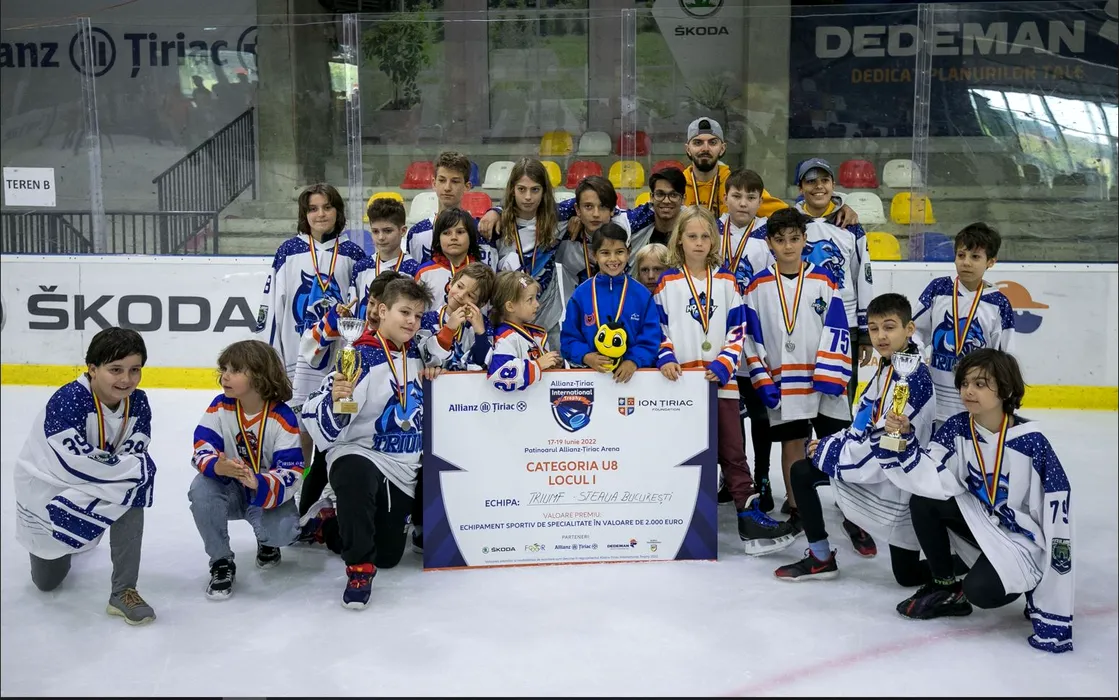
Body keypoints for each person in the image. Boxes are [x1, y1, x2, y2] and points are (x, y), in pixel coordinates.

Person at [870, 350, 1073, 654]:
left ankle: (1026, 580)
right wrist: (906, 439)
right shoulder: (957, 427)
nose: (968, 391)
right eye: (965, 383)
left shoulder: (1033, 442)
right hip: (980, 523)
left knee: (981, 591)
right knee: (924, 501)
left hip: (1020, 539)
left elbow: (1057, 514)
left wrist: (1052, 595)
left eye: (980, 384)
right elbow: (931, 473)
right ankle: (945, 585)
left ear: (1005, 389)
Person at [654, 205, 796, 555]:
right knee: (685, 451)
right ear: (679, 239)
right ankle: (680, 519)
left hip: (721, 382)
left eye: (705, 236)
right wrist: (666, 357)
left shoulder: (728, 281)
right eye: (692, 236)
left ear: (714, 241)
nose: (699, 242)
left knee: (733, 451)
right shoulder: (667, 282)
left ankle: (748, 518)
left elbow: (738, 329)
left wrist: (725, 363)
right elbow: (658, 329)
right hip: (682, 385)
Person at [773, 293, 936, 581]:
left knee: (907, 576)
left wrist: (830, 452)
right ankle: (821, 557)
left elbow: (885, 444)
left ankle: (968, 569)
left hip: (896, 478)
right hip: (877, 468)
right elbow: (862, 422)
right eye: (873, 328)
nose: (880, 336)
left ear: (909, 329)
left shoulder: (913, 377)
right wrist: (831, 444)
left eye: (889, 327)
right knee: (802, 471)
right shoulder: (888, 365)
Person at [301, 278, 434, 610]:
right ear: (383, 311)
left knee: (388, 556)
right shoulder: (360, 353)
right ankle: (359, 570)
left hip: (402, 465)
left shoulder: (419, 352)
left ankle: (328, 524)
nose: (411, 321)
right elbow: (321, 412)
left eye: (417, 316)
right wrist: (336, 400)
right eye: (405, 312)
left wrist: (438, 371)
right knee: (352, 470)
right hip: (360, 452)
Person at [13, 327, 157, 625]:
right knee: (47, 582)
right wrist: (122, 471)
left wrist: (123, 473)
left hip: (100, 482)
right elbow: (70, 464)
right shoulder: (68, 400)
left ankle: (124, 591)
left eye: (134, 370)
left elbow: (135, 454)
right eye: (115, 369)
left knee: (133, 492)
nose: (126, 379)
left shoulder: (138, 402)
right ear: (92, 369)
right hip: (50, 485)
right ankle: (67, 542)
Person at [741, 208, 852, 516]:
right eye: (780, 240)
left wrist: (831, 374)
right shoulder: (757, 287)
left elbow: (838, 328)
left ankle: (852, 511)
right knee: (792, 443)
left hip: (822, 377)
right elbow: (750, 337)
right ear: (769, 244)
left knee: (838, 445)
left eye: (794, 238)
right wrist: (762, 379)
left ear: (805, 239)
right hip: (783, 382)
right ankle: (796, 508)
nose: (788, 246)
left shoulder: (824, 280)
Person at [254, 182, 365, 466]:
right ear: (304, 215)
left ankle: (329, 482)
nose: (320, 214)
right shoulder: (289, 251)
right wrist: (270, 355)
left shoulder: (352, 253)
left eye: (327, 207)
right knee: (300, 427)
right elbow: (273, 306)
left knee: (337, 421)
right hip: (298, 355)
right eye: (313, 209)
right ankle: (301, 482)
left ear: (338, 212)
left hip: (339, 355)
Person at [189, 340, 306, 600]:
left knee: (284, 532)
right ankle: (221, 561)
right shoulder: (220, 406)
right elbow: (202, 447)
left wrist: (258, 482)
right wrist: (218, 465)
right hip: (230, 489)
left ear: (260, 375)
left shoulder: (283, 417)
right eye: (224, 369)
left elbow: (292, 472)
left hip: (263, 493)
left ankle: (267, 540)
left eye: (235, 370)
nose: (225, 376)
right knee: (201, 488)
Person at [296, 270, 406, 529]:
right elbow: (311, 351)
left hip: (379, 425)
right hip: (344, 410)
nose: (372, 311)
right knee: (322, 459)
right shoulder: (352, 329)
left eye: (380, 304)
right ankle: (303, 519)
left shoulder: (405, 339)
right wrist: (331, 320)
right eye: (371, 302)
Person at [911, 222, 1015, 426]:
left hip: (975, 403)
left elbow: (1004, 355)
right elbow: (914, 331)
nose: (966, 262)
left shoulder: (998, 304)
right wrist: (918, 360)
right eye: (961, 255)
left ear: (991, 262)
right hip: (935, 399)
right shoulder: (938, 289)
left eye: (975, 257)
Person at [793, 158, 874, 405]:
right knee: (802, 401)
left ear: (833, 185)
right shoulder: (789, 223)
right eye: (810, 181)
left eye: (824, 180)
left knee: (841, 404)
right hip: (800, 322)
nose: (819, 186)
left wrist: (865, 333)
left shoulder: (851, 227)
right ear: (800, 188)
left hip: (844, 327)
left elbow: (863, 279)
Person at [721, 168, 779, 511]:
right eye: (737, 196)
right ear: (725, 197)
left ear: (760, 201)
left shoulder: (770, 233)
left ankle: (763, 476)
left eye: (751, 197)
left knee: (759, 415)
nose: (743, 203)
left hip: (758, 336)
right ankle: (734, 478)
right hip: (721, 335)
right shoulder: (711, 229)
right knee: (730, 414)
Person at [560, 223, 662, 381]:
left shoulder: (642, 295)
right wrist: (586, 356)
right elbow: (568, 339)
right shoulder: (581, 294)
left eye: (619, 252)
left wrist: (633, 360)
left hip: (633, 378)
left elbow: (651, 337)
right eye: (605, 253)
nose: (613, 259)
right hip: (592, 377)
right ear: (594, 255)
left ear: (628, 253)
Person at [492, 158, 564, 349]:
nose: (528, 197)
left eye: (535, 190)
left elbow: (593, 200)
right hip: (510, 324)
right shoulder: (497, 226)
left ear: (545, 191)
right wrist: (495, 211)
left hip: (548, 321)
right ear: (512, 190)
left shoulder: (559, 219)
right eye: (521, 189)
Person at [681, 117, 787, 218]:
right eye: (698, 143)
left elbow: (785, 215)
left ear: (722, 149)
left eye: (712, 143)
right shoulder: (678, 186)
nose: (705, 148)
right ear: (688, 149)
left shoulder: (738, 183)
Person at [406, 151, 494, 267]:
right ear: (434, 183)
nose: (447, 188)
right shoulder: (417, 233)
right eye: (442, 180)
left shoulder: (481, 230)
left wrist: (497, 211)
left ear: (467, 186)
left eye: (455, 181)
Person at [487, 270, 564, 391]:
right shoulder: (505, 337)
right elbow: (500, 374)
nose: (537, 304)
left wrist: (551, 365)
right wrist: (538, 365)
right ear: (510, 306)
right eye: (530, 299)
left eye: (536, 298)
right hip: (514, 402)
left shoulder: (535, 334)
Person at [418, 262, 496, 372]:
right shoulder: (427, 319)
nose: (460, 295)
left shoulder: (482, 325)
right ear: (451, 283)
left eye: (470, 295)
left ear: (481, 304)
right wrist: (448, 330)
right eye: (459, 286)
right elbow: (426, 359)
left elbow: (483, 364)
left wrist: (480, 334)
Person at [350, 198, 420, 319]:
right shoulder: (361, 267)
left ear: (403, 231)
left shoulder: (414, 270)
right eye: (375, 231)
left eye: (387, 231)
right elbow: (353, 310)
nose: (381, 237)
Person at [415, 207, 487, 310]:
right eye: (446, 233)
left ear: (471, 236)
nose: (453, 237)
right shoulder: (424, 273)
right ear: (438, 238)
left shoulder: (482, 274)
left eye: (460, 232)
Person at [627, 167, 687, 260]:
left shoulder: (694, 226)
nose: (666, 201)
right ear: (651, 197)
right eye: (660, 194)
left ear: (683, 199)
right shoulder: (636, 224)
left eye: (673, 195)